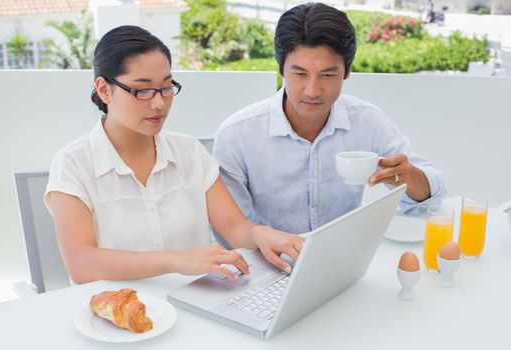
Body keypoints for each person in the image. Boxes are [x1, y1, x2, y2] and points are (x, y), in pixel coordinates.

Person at [45, 25, 304, 284]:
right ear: (104, 90)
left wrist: (262, 234)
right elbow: (82, 265)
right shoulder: (72, 164)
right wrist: (176, 261)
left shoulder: (189, 151)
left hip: (197, 303)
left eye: (167, 88)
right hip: (114, 315)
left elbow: (234, 227)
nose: (159, 103)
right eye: (143, 90)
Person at [213, 3, 446, 243]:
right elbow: (229, 230)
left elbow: (435, 191)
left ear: (346, 72)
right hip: (268, 266)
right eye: (300, 74)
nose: (313, 91)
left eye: (327, 75)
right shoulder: (237, 135)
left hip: (343, 260)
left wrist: (409, 177)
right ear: (281, 68)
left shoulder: (367, 121)